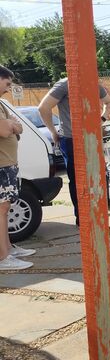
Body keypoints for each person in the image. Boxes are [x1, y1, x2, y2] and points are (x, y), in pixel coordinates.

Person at [37, 77, 110, 226]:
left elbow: (43, 108)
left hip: (81, 137)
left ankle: (88, 217)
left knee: (87, 178)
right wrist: (101, 119)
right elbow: (43, 108)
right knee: (84, 178)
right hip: (75, 138)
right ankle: (85, 218)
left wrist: (53, 132)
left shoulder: (90, 82)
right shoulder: (67, 84)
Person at [0, 66, 36, 270]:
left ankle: (8, 250)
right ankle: (3, 257)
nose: (8, 89)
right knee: (1, 210)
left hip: (8, 165)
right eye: (6, 84)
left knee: (4, 209)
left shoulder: (2, 104)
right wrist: (10, 126)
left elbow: (18, 126)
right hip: (1, 166)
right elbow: (5, 130)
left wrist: (12, 125)